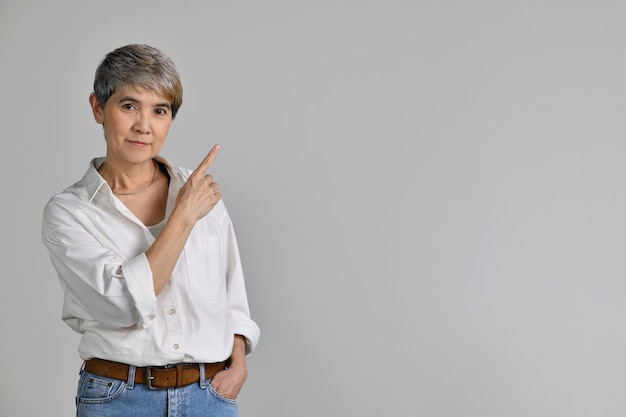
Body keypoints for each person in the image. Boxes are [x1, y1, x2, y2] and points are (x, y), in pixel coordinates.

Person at [41, 44, 260, 417]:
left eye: (159, 111)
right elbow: (123, 306)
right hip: (117, 398)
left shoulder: (198, 191)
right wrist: (183, 218)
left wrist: (237, 364)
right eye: (129, 106)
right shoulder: (70, 213)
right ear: (98, 108)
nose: (144, 125)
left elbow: (233, 294)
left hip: (209, 396)